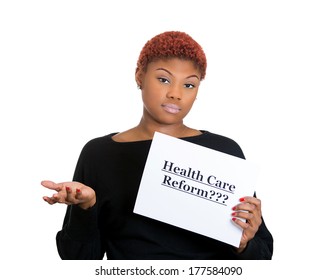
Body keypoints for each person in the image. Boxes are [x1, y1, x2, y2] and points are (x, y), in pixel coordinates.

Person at [41, 31, 273, 260]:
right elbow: (78, 261)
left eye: (189, 85)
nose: (175, 94)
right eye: (164, 79)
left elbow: (263, 253)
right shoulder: (99, 153)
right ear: (139, 76)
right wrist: (86, 209)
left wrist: (244, 244)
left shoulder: (223, 151)